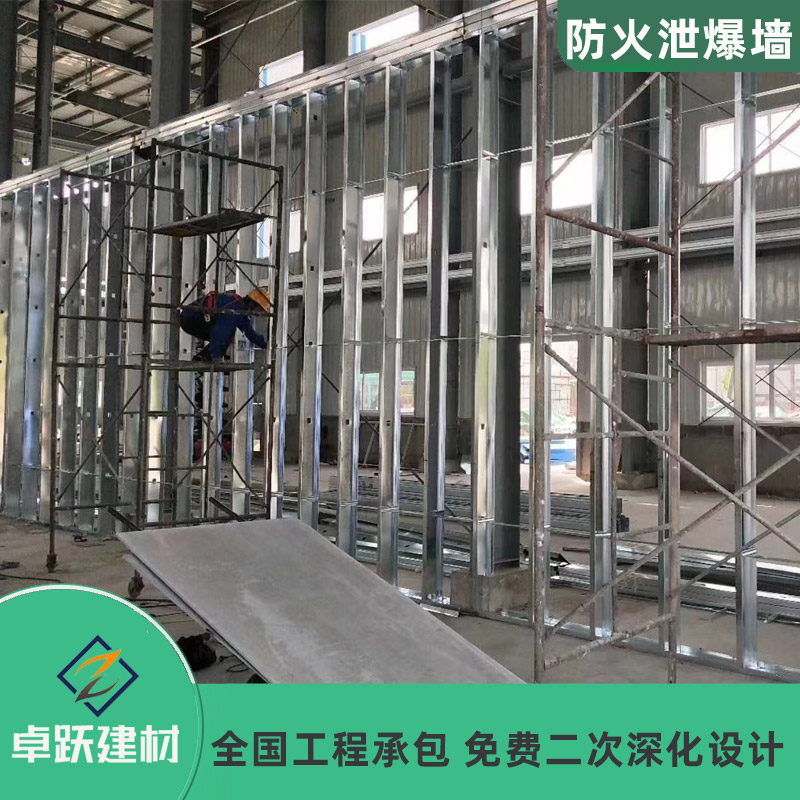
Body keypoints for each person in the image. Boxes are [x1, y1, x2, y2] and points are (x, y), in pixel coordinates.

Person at [179, 288, 271, 362]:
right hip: (193, 318)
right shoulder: (237, 308)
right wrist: (217, 356)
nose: (259, 314)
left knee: (227, 335)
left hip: (190, 317)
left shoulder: (241, 310)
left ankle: (203, 357)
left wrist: (266, 344)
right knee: (228, 332)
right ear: (253, 303)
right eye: (260, 309)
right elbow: (221, 329)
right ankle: (207, 356)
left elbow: (250, 333)